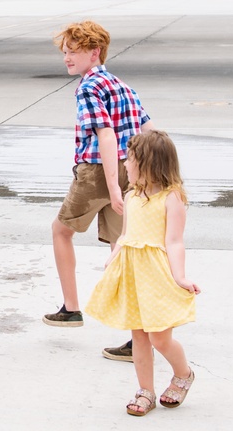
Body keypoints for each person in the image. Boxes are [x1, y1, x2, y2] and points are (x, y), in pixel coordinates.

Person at [44, 20, 154, 366]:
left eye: (73, 51)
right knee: (125, 249)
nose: (67, 58)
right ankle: (140, 336)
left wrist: (110, 188)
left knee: (61, 232)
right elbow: (150, 130)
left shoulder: (89, 86)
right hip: (133, 170)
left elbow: (105, 136)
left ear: (95, 52)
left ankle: (71, 308)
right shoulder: (121, 85)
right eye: (64, 52)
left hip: (96, 172)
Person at [85, 130, 199, 416]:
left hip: (157, 276)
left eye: (130, 159)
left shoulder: (171, 198)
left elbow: (174, 241)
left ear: (148, 163)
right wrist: (114, 255)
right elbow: (125, 235)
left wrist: (180, 277)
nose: (124, 164)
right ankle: (145, 390)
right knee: (139, 336)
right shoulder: (132, 195)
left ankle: (183, 374)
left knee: (160, 338)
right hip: (133, 272)